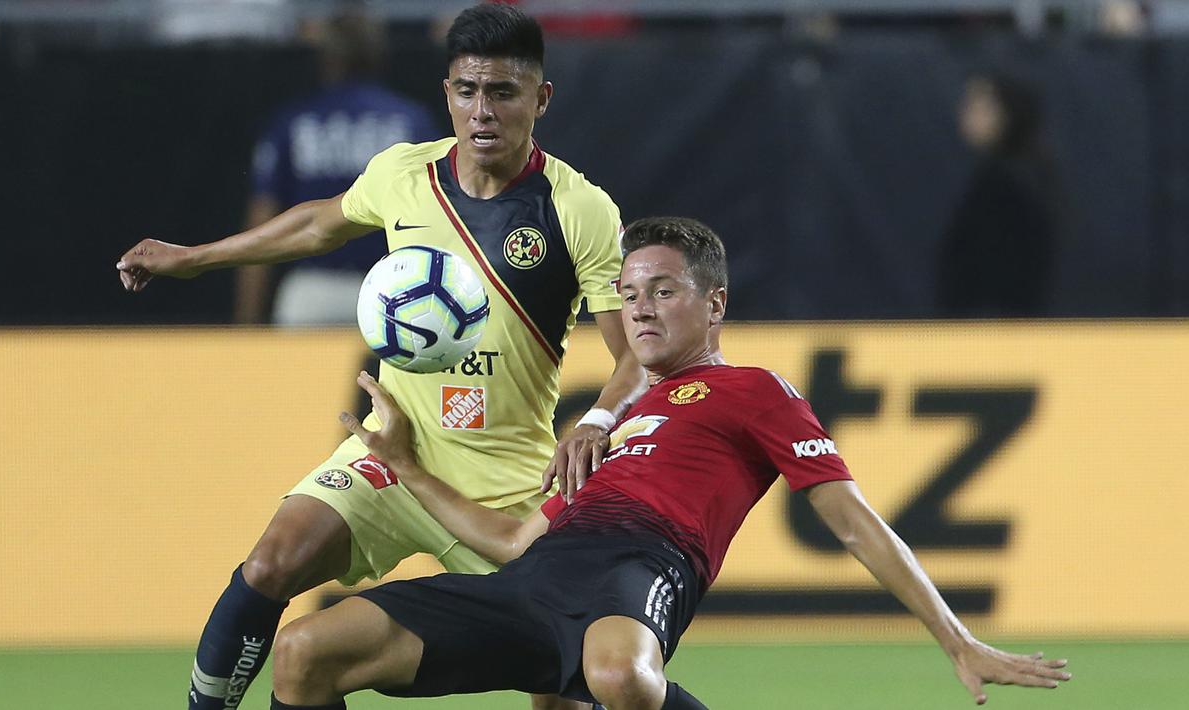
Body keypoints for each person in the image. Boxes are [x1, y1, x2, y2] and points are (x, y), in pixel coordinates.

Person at [267, 217, 1073, 710]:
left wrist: (955, 638)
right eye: (627, 292)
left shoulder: (753, 391)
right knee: (305, 653)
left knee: (616, 675)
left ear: (714, 304)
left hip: (641, 569)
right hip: (532, 583)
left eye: (661, 290)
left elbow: (855, 525)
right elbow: (513, 544)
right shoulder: (619, 423)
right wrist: (407, 466)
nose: (639, 307)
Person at [116, 5, 643, 710]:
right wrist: (195, 258)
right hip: (393, 453)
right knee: (272, 562)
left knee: (565, 685)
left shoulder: (578, 210)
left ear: (539, 99)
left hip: (508, 479)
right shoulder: (404, 174)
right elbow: (314, 225)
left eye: (503, 92)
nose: (480, 111)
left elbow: (635, 357)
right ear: (446, 92)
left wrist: (597, 421)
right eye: (465, 90)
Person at [235, 10, 441, 326]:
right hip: (396, 290)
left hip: (312, 291)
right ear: (377, 55)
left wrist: (246, 319)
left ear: (327, 58)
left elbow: (262, 215)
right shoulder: (409, 119)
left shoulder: (295, 120)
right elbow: (438, 214)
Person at [937, 71, 1061, 317]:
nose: (967, 114)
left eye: (979, 107)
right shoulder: (998, 174)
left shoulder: (1012, 181)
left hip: (1000, 329)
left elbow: (1008, 268)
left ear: (1006, 114)